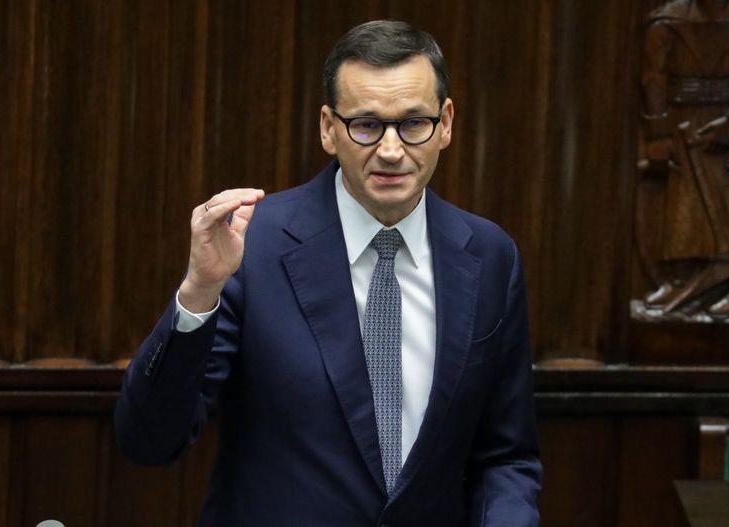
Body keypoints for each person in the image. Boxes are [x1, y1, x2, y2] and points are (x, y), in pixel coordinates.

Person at [114, 20, 542, 526]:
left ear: (445, 123)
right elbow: (149, 440)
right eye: (366, 125)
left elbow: (505, 456)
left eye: (413, 124)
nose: (391, 151)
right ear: (327, 128)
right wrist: (199, 292)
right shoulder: (252, 245)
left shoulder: (490, 257)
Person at [637, 0, 729, 318]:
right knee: (682, 201)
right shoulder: (665, 23)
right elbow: (654, 79)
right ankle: (680, 277)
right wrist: (658, 134)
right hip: (682, 120)